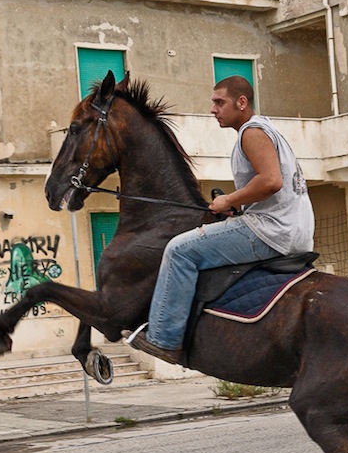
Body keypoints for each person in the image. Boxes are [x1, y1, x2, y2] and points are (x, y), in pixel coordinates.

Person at [127, 75, 314, 364]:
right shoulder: (266, 129)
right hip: (293, 230)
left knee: (179, 251)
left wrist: (229, 200)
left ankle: (164, 339)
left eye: (219, 102)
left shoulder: (251, 132)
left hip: (271, 230)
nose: (213, 109)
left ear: (242, 102)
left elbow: (272, 181)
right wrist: (237, 203)